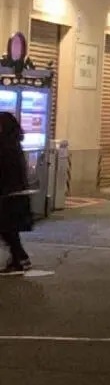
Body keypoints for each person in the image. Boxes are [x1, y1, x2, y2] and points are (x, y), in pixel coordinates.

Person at [0, 112, 32, 275]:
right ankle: (20, 258)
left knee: (7, 228)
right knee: (8, 229)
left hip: (8, 194)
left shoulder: (6, 146)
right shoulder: (13, 143)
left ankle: (19, 259)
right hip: (14, 193)